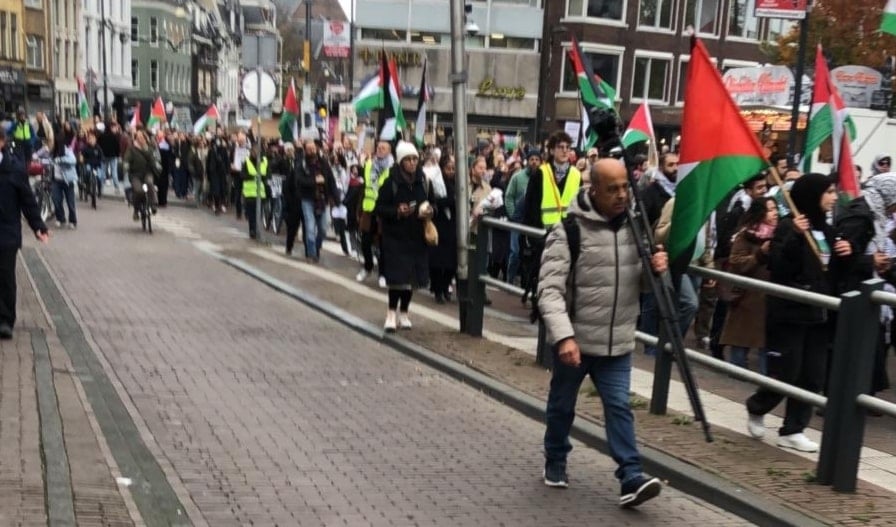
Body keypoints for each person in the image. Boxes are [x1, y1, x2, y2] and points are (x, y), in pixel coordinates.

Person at [538, 158, 667, 508]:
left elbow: (641, 284)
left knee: (619, 406)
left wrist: (656, 271)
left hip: (617, 341)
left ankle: (631, 476)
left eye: (626, 186)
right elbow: (549, 290)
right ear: (593, 190)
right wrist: (564, 337)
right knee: (562, 405)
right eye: (613, 189)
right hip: (575, 342)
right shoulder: (569, 230)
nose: (622, 195)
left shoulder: (636, 228)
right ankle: (556, 457)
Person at [745, 174, 850, 452]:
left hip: (819, 313)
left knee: (813, 374)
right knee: (787, 371)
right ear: (812, 195)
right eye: (828, 192)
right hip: (790, 312)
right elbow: (779, 266)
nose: (834, 197)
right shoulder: (788, 227)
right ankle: (757, 406)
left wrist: (847, 253)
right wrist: (793, 234)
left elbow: (831, 274)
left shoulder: (828, 231)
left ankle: (793, 429)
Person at [374, 141, 433, 331]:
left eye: (415, 159)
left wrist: (429, 210)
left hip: (416, 237)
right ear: (401, 161)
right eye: (408, 159)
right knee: (397, 280)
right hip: (396, 237)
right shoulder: (391, 182)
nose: (413, 163)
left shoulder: (423, 181)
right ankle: (391, 313)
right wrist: (397, 211)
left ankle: (405, 312)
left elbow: (433, 203)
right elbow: (379, 208)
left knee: (411, 280)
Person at [719, 197, 778, 374]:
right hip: (746, 296)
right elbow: (736, 263)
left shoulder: (779, 234)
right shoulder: (745, 235)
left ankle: (765, 379)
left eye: (775, 208)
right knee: (741, 339)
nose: (775, 213)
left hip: (768, 295)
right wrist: (761, 253)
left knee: (766, 341)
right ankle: (737, 373)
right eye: (770, 209)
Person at [0, 128, 49, 339]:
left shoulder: (14, 170)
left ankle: (4, 320)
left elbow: (27, 201)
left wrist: (39, 226)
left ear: (1, 142)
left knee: (5, 277)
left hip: (6, 232)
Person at [357, 141, 394, 285]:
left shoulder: (392, 168)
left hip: (383, 211)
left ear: (389, 151)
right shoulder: (369, 164)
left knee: (383, 244)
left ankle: (383, 274)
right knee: (365, 242)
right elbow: (363, 186)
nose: (379, 149)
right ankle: (368, 267)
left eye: (383, 148)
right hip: (369, 208)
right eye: (378, 147)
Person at [296, 140, 338, 262]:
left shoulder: (324, 163)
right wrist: (315, 181)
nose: (312, 151)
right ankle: (311, 253)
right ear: (305, 150)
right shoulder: (302, 164)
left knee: (323, 229)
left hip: (322, 200)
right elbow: (300, 181)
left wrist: (337, 199)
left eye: (313, 148)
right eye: (309, 149)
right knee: (310, 227)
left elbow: (331, 181)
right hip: (307, 199)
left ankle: (317, 247)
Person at [429, 153, 457, 304]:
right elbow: (434, 201)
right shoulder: (436, 183)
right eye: (448, 168)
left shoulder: (457, 183)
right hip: (440, 225)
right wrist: (450, 201)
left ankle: (446, 287)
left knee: (450, 263)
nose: (451, 171)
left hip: (452, 227)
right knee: (438, 261)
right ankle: (438, 289)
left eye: (453, 168)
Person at [122, 129, 160, 220]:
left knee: (150, 183)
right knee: (138, 190)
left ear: (145, 138)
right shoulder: (131, 149)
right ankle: (136, 210)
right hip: (135, 174)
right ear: (135, 139)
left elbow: (154, 159)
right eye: (138, 138)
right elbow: (126, 160)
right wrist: (125, 167)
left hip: (147, 173)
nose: (140, 139)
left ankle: (153, 204)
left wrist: (156, 165)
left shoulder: (150, 148)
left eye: (142, 137)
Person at [50, 135, 78, 229]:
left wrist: (61, 159)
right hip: (56, 180)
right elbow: (49, 160)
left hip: (67, 180)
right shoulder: (53, 152)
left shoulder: (67, 150)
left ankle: (72, 220)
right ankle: (60, 218)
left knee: (70, 202)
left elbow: (73, 160)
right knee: (56, 200)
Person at [241, 146, 269, 240]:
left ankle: (256, 231)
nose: (256, 153)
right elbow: (243, 175)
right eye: (254, 152)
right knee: (251, 214)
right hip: (250, 193)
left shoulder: (264, 161)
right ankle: (252, 230)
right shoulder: (247, 162)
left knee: (259, 213)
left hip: (260, 193)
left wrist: (264, 178)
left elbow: (268, 174)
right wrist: (252, 177)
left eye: (257, 151)